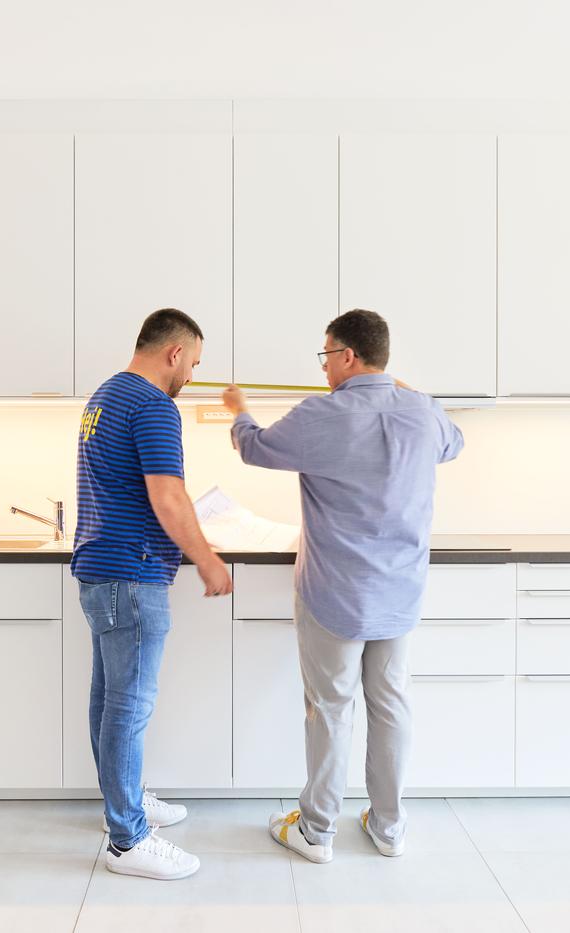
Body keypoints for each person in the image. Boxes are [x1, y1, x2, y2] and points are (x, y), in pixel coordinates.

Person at [222, 308, 465, 864]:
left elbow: (255, 447)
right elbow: (454, 443)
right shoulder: (423, 412)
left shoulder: (322, 415)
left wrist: (239, 410)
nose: (324, 367)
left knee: (331, 708)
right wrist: (406, 390)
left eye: (326, 355)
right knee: (391, 704)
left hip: (336, 593)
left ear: (348, 356)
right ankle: (389, 827)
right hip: (400, 592)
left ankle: (316, 831)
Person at [73, 307, 234, 881]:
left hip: (101, 570)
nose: (191, 374)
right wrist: (207, 560)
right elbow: (168, 496)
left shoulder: (105, 395)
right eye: (194, 362)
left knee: (109, 699)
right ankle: (128, 839)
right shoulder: (153, 405)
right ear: (175, 352)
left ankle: (125, 802)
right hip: (133, 574)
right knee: (128, 706)